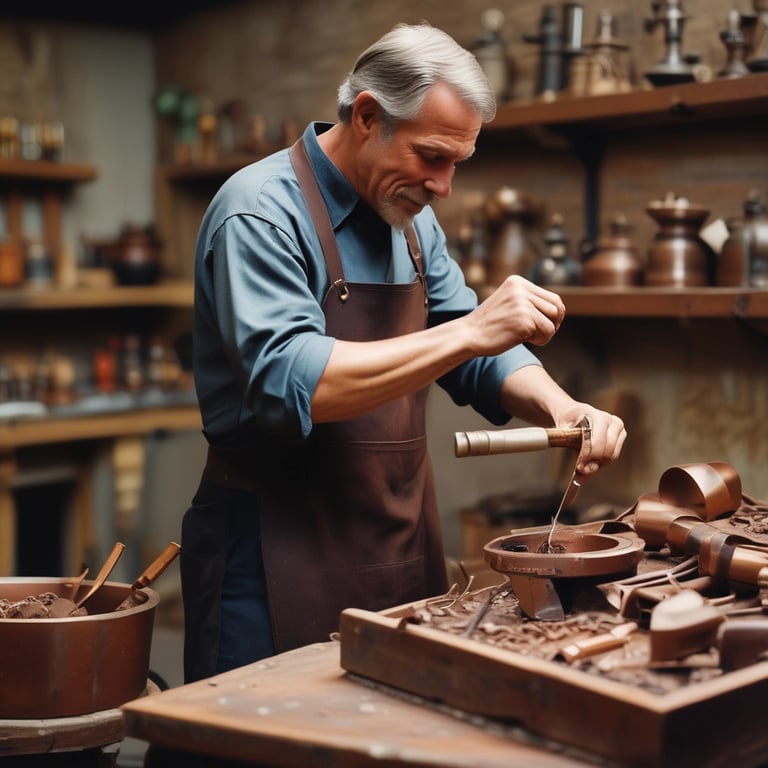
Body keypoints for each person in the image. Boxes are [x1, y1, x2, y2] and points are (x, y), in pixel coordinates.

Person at [180, 21, 626, 684]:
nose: (444, 185)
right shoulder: (260, 212)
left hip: (395, 539)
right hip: (274, 547)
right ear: (367, 116)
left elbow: (479, 354)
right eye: (432, 157)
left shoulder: (412, 222)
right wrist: (471, 332)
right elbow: (295, 382)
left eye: (457, 163)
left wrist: (564, 409)